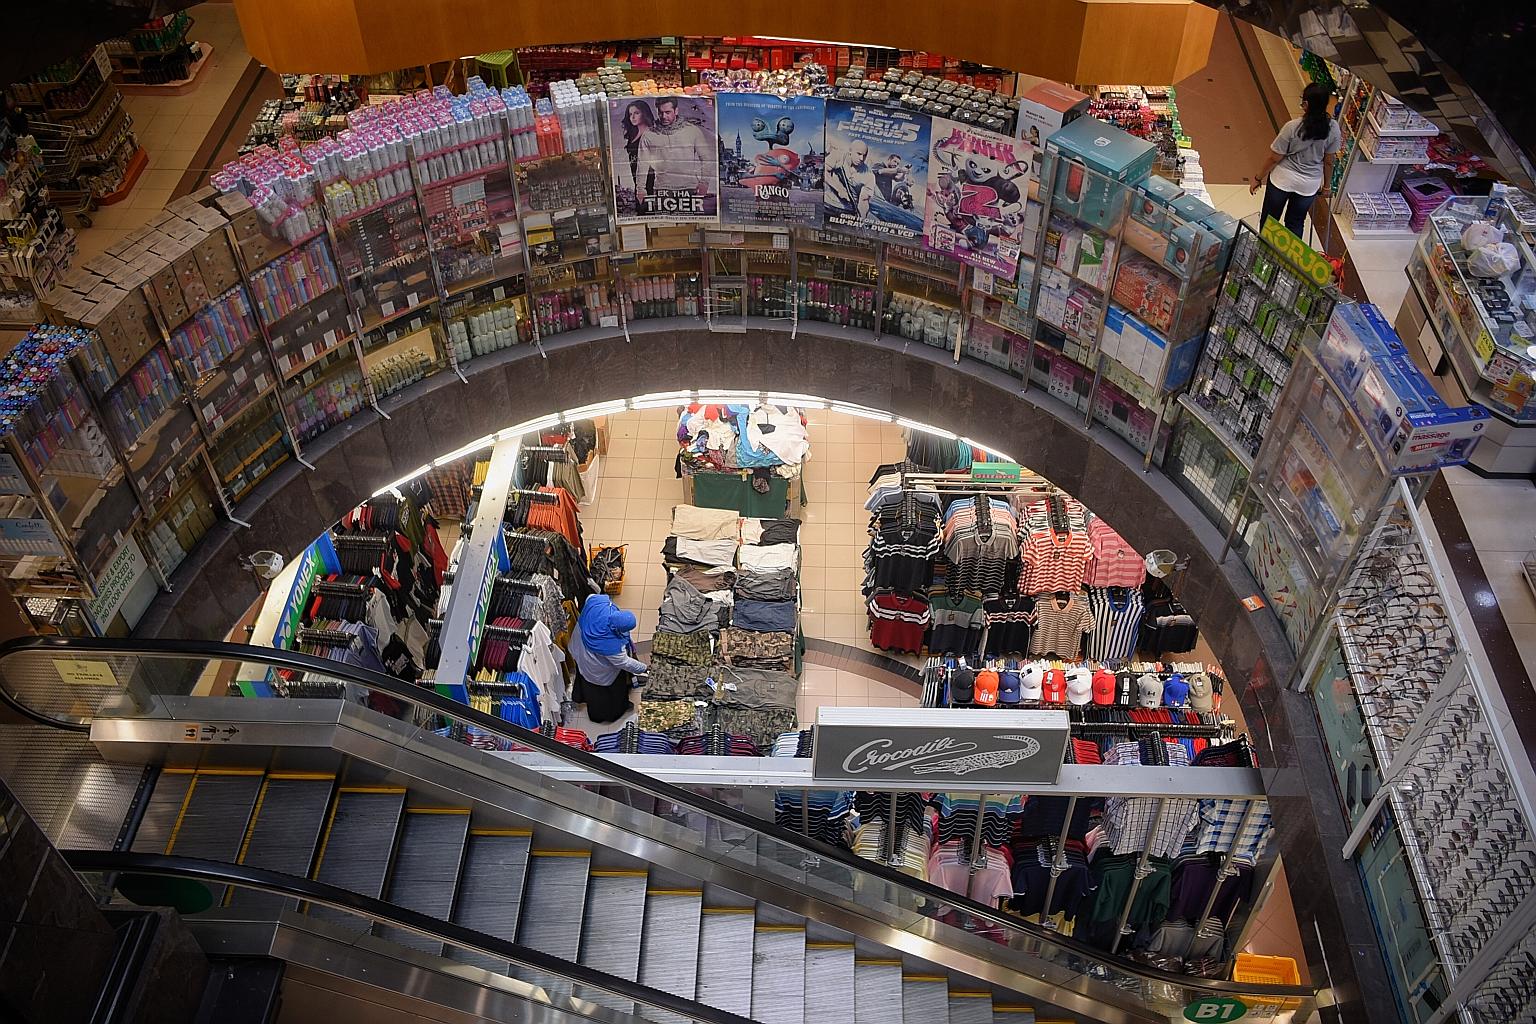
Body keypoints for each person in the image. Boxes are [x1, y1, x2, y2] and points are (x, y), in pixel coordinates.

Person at [1250, 83, 1344, 239]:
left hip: (1282, 180)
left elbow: (1274, 158)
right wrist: (1326, 186)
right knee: (1295, 223)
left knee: (1269, 220)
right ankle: (1289, 261)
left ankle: (1264, 255)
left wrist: (1257, 178)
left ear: (1306, 104)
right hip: (1308, 185)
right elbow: (1329, 161)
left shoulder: (1292, 127)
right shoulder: (1333, 128)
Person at [569, 594, 647, 724]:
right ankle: (607, 715)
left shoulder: (598, 603)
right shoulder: (609, 644)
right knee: (603, 692)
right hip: (596, 666)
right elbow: (624, 663)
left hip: (581, 646)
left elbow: (590, 596)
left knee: (587, 681)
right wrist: (644, 668)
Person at [635, 97, 711, 207]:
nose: (664, 116)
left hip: (689, 188)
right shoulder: (649, 134)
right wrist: (640, 188)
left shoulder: (692, 130)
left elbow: (706, 158)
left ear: (676, 111)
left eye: (668, 112)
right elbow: (642, 163)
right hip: (662, 189)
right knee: (662, 224)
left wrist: (704, 183)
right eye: (661, 113)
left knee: (691, 223)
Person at [826, 139, 876, 223]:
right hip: (828, 204)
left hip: (848, 211)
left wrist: (861, 221)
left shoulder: (869, 175)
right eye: (859, 154)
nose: (861, 158)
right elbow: (825, 171)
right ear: (850, 151)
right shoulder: (838, 155)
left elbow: (864, 200)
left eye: (864, 155)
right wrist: (839, 189)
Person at [619, 100, 654, 198]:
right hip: (637, 180)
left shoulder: (651, 134)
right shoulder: (633, 135)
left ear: (644, 113)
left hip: (650, 179)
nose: (632, 117)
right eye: (630, 114)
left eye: (636, 113)